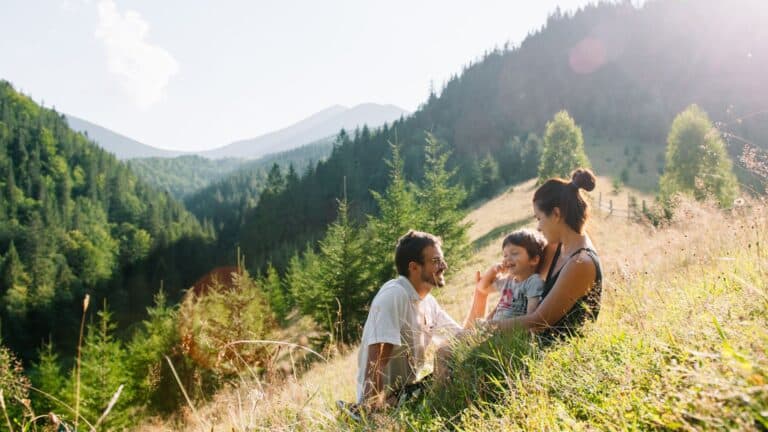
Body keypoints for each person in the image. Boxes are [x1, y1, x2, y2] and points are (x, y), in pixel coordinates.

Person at [340, 230, 461, 417]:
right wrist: (375, 413)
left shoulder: (428, 302)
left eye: (441, 260)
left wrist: (481, 293)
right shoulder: (394, 295)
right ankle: (361, 413)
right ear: (414, 267)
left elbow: (462, 338)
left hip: (407, 393)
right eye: (436, 261)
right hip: (385, 401)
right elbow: (376, 361)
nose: (443, 265)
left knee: (456, 360)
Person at [482, 168, 603, 341]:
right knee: (448, 352)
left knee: (447, 354)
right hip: (529, 340)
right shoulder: (556, 247)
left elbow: (539, 321)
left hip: (555, 352)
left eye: (539, 218)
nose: (538, 227)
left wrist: (488, 327)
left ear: (556, 214)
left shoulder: (581, 262)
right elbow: (520, 286)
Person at [465, 229, 547, 326]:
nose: (507, 259)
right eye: (505, 255)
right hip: (494, 331)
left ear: (534, 260)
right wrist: (493, 270)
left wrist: (494, 325)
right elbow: (482, 287)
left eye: (514, 253)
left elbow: (530, 320)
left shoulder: (533, 282)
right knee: (462, 335)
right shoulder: (508, 281)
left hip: (510, 333)